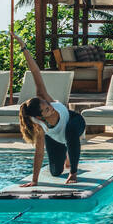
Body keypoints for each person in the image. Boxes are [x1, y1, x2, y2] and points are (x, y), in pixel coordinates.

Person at [12, 31, 86, 185]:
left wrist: (24, 47)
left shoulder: (45, 99)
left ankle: (73, 171)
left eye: (48, 105)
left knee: (71, 131)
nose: (51, 108)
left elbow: (35, 72)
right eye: (46, 110)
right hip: (56, 137)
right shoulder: (39, 126)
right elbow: (39, 153)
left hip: (75, 121)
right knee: (56, 172)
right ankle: (65, 154)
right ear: (40, 117)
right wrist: (34, 181)